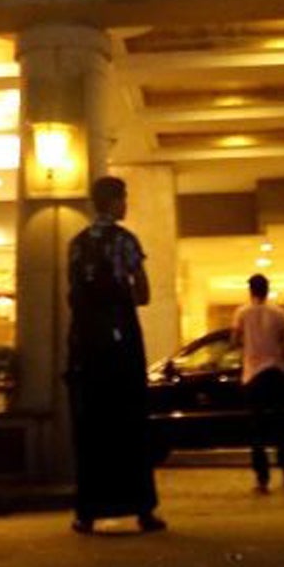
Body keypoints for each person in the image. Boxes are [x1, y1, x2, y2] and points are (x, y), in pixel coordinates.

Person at [66, 174, 164, 534]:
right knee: (130, 421)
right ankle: (141, 509)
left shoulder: (76, 245)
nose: (126, 205)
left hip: (90, 346)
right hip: (122, 344)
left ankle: (88, 511)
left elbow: (72, 294)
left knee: (92, 425)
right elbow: (144, 293)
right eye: (124, 198)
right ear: (113, 201)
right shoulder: (126, 242)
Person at [234, 273, 284, 494]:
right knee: (281, 425)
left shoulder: (242, 313)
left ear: (251, 290)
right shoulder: (279, 313)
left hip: (253, 374)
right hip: (276, 372)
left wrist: (249, 345)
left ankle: (262, 479)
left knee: (257, 429)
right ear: (267, 290)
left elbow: (235, 339)